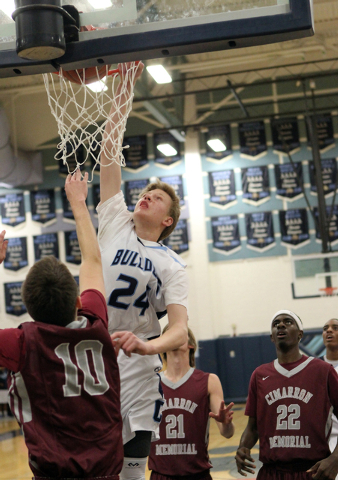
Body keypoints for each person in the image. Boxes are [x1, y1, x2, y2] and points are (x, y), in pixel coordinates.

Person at [0, 170, 123, 479]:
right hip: (106, 472)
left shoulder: (20, 343)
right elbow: (93, 262)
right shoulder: (95, 323)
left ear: (28, 311)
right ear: (79, 303)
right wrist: (79, 203)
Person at [98, 61, 189, 480]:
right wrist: (123, 89)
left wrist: (150, 347)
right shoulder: (115, 219)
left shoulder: (171, 263)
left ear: (167, 221)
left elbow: (178, 330)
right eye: (146, 192)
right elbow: (109, 151)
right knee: (94, 460)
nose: (146, 197)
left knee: (132, 467)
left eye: (156, 197)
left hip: (137, 362)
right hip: (94, 351)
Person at [235, 309, 338, 480]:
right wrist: (242, 447)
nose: (281, 325)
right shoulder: (259, 375)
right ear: (272, 337)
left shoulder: (323, 371)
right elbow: (252, 427)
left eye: (288, 322)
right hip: (271, 472)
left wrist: (335, 458)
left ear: (300, 334)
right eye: (276, 324)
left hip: (312, 470)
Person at [148, 325, 235, 480]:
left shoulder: (209, 381)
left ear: (191, 345)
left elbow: (227, 433)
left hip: (197, 474)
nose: (174, 337)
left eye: (178, 334)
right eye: (170, 335)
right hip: (161, 474)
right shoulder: (150, 383)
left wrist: (227, 423)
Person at [321, 319, 338, 457]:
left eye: (335, 327)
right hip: (322, 441)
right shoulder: (313, 368)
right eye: (325, 328)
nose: (329, 330)